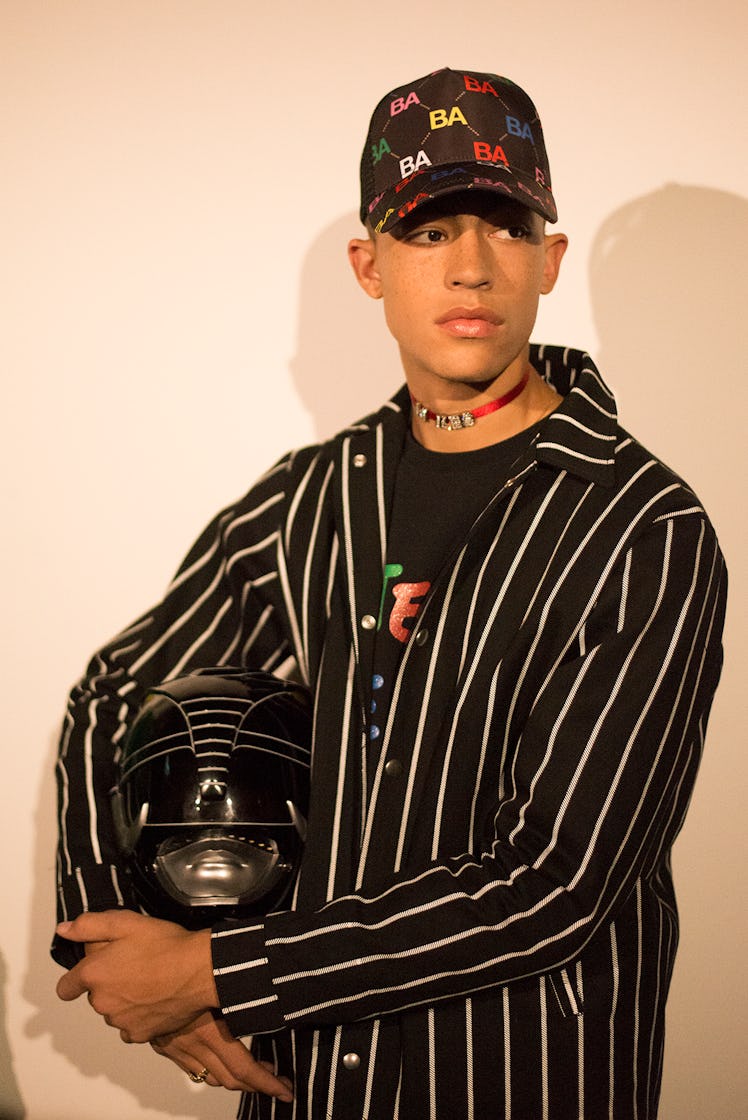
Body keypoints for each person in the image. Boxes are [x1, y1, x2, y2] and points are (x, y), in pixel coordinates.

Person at [52, 67, 726, 1119]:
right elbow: (114, 690)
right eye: (428, 232)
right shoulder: (314, 497)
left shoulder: (638, 526)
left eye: (502, 227)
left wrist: (220, 975)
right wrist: (114, 937)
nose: (469, 266)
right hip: (309, 1083)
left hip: (519, 1078)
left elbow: (554, 885)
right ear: (369, 267)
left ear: (546, 259)